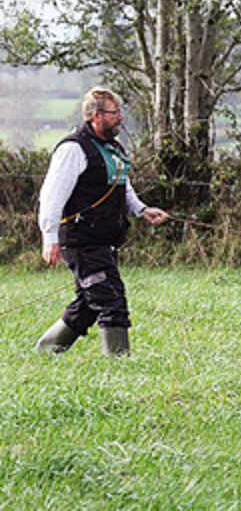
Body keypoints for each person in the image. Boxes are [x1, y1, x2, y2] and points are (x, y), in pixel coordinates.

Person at [36, 86, 169, 356]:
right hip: (81, 240)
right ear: (95, 116)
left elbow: (122, 186)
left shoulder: (111, 148)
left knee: (88, 302)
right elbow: (51, 196)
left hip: (103, 240)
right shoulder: (73, 149)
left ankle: (47, 350)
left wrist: (142, 210)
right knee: (110, 298)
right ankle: (120, 365)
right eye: (114, 113)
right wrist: (49, 237)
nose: (120, 118)